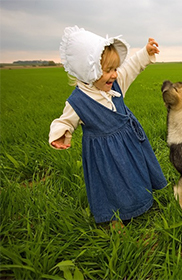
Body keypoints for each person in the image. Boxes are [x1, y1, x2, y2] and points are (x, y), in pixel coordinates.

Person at [49, 26, 167, 224]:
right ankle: (114, 218)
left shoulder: (116, 82)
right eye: (107, 70)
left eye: (115, 69)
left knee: (134, 173)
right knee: (111, 184)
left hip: (129, 143)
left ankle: (141, 202)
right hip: (103, 155)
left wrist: (145, 53)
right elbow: (65, 120)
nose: (114, 74)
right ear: (89, 70)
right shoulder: (78, 100)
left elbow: (131, 67)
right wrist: (61, 133)